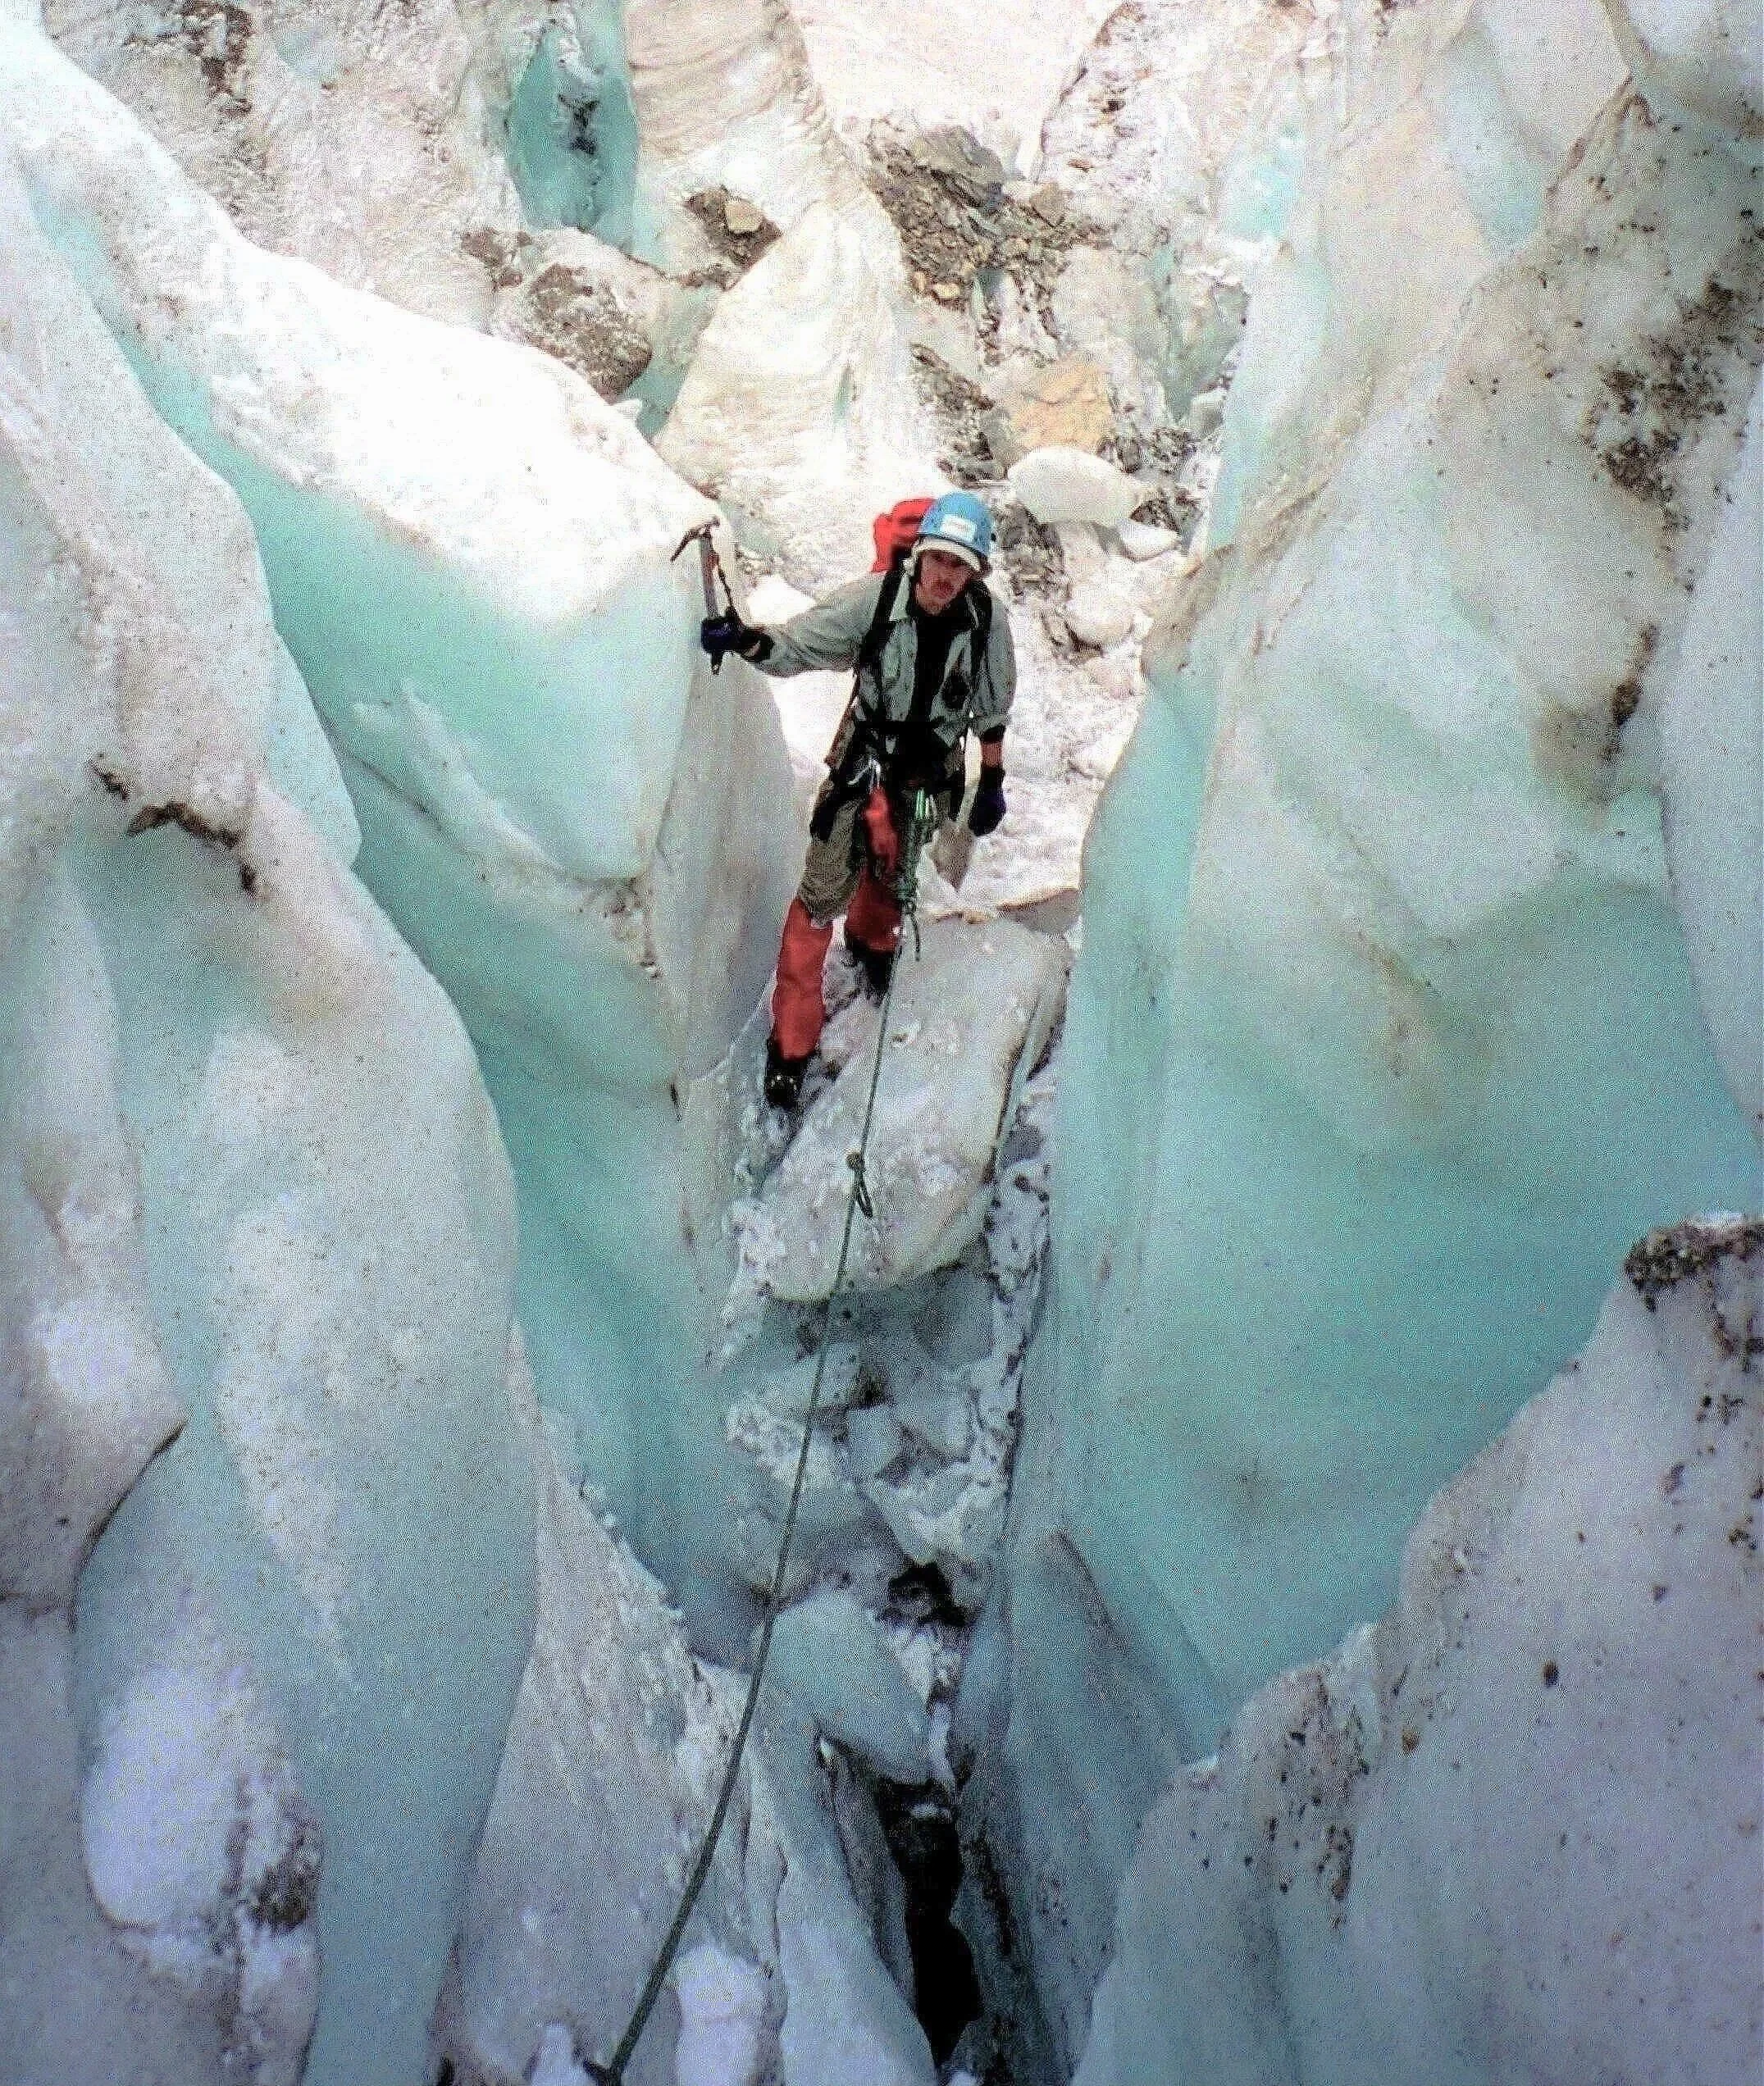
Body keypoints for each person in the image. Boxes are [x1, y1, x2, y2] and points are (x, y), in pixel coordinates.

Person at [700, 490, 1015, 1109]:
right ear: (919, 556)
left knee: (900, 866)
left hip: (930, 781)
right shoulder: (870, 604)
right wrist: (743, 640)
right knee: (819, 896)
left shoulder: (986, 621)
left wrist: (993, 780)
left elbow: (992, 705)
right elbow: (796, 645)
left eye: (962, 566)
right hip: (861, 772)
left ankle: (874, 943)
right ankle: (791, 1044)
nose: (947, 578)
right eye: (939, 561)